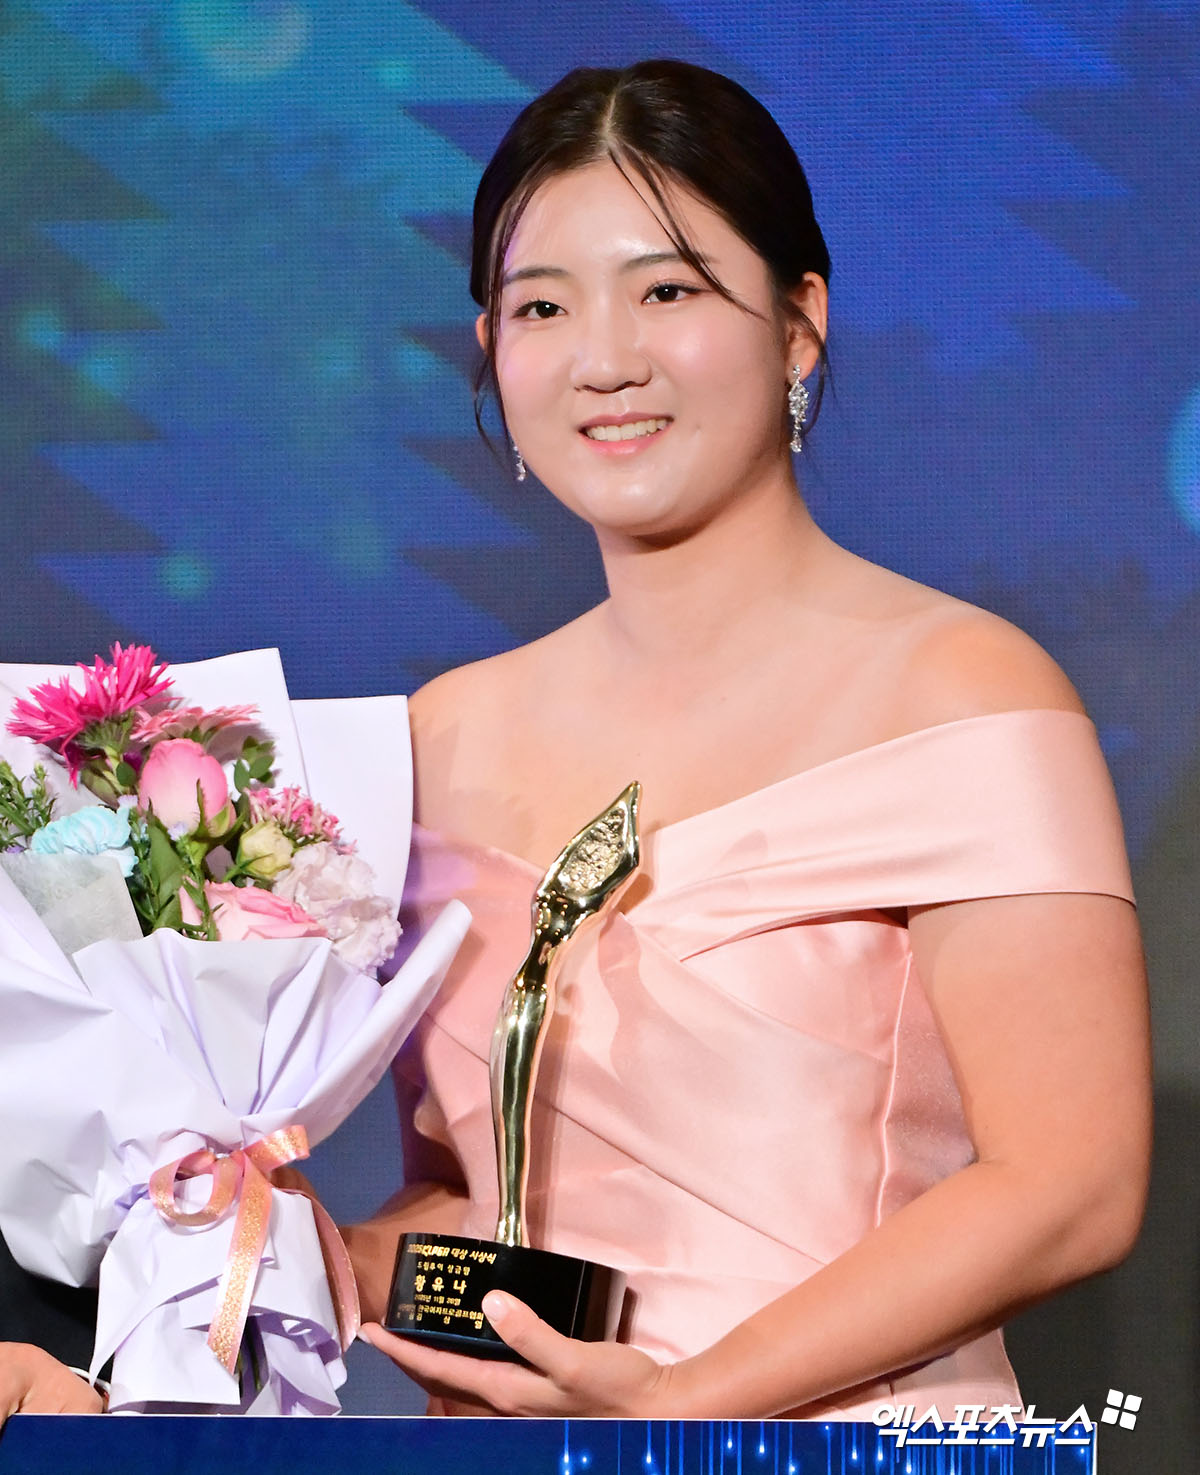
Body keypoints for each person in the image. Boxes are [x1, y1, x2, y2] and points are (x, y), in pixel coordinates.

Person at [347, 59, 1151, 1419]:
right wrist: (276, 1257)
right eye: (543, 306)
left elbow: (1071, 1182)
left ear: (799, 323)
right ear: (491, 349)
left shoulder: (961, 692)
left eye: (667, 291)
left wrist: (682, 1404)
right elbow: (475, 1212)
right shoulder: (441, 734)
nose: (606, 357)